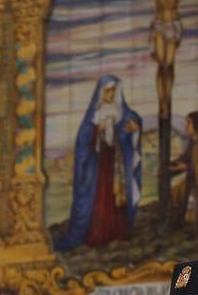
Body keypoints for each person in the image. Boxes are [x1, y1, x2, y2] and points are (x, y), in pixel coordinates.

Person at [58, 75, 143, 251]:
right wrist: (98, 129)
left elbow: (132, 125)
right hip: (100, 162)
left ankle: (118, 233)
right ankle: (100, 234)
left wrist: (134, 130)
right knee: (102, 195)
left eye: (113, 90)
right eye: (107, 90)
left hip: (117, 161)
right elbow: (83, 140)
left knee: (117, 195)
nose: (110, 94)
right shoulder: (94, 114)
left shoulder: (122, 110)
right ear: (101, 92)